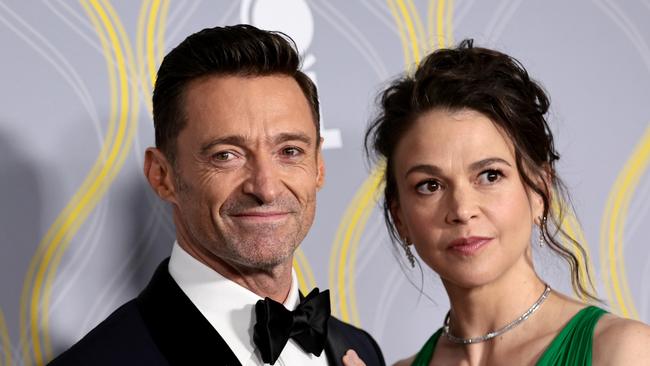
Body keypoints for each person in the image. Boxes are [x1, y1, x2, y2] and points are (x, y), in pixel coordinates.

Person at [49, 24, 385, 366]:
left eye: (290, 151)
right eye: (226, 155)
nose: (265, 188)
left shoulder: (359, 349)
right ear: (162, 176)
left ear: (318, 167)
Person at [348, 40, 650, 365]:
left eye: (490, 176)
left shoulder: (623, 351)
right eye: (430, 185)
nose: (463, 210)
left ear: (538, 191)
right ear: (400, 218)